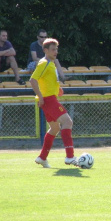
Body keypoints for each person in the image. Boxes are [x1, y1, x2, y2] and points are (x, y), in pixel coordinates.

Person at [29, 38, 79, 168]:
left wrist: (58, 89)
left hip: (50, 98)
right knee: (67, 122)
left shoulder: (50, 63)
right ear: (45, 50)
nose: (55, 51)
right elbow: (33, 80)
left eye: (56, 49)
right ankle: (70, 157)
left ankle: (42, 158)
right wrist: (40, 97)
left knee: (55, 128)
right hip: (48, 100)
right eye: (53, 49)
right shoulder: (44, 63)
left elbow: (46, 81)